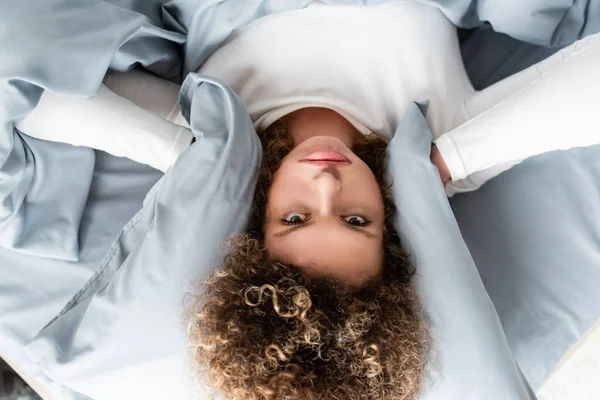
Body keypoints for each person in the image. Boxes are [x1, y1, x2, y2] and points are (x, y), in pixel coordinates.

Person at [16, 2, 600, 399]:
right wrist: (443, 166)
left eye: (295, 218)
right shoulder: (440, 143)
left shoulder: (211, 140)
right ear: (396, 231)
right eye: (355, 219)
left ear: (252, 227)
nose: (325, 183)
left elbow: (36, 91)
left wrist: (195, 161)